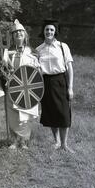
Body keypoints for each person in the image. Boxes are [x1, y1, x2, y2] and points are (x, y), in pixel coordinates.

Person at [36, 19, 74, 153]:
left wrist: (70, 88)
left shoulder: (63, 47)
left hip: (60, 81)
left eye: (51, 30)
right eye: (47, 29)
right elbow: (36, 70)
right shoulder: (38, 50)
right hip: (45, 82)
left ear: (55, 32)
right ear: (43, 31)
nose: (49, 32)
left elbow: (69, 68)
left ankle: (64, 144)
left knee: (63, 113)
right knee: (51, 112)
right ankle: (56, 141)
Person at [4, 19, 41, 150]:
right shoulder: (7, 51)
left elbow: (37, 70)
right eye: (15, 33)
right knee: (13, 113)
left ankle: (24, 141)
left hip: (27, 87)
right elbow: (4, 67)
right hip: (13, 85)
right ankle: (14, 140)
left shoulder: (32, 51)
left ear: (25, 34)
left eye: (21, 32)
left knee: (25, 114)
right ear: (13, 36)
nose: (18, 34)